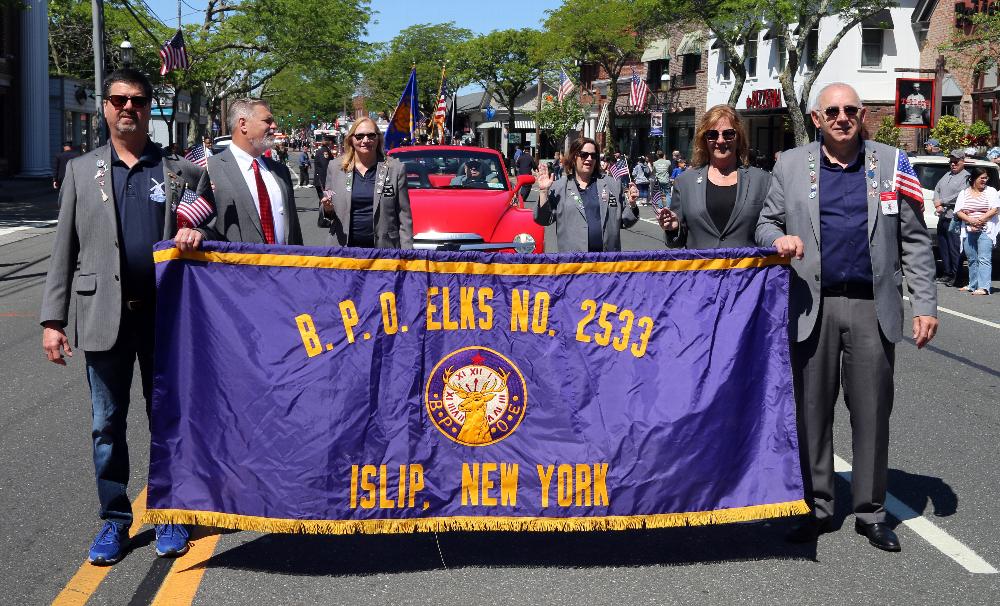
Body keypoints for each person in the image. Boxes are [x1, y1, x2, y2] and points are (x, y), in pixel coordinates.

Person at [39, 68, 216, 565]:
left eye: (137, 100)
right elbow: (62, 250)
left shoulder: (180, 171)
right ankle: (115, 520)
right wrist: (53, 320)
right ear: (105, 106)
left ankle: (172, 513)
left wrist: (198, 237)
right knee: (106, 424)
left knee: (168, 418)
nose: (127, 108)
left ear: (148, 107)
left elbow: (211, 233)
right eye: (118, 99)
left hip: (166, 320)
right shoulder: (81, 170)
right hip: (102, 317)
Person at [757, 82, 938, 552]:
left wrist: (925, 304)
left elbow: (915, 240)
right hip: (811, 305)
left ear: (862, 115)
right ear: (817, 119)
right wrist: (777, 240)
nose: (842, 117)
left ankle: (871, 512)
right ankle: (816, 506)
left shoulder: (892, 163)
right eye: (832, 111)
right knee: (810, 413)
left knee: (873, 412)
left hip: (870, 307)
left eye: (850, 110)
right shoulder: (791, 164)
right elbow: (767, 221)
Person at [656, 105, 771, 249]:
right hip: (701, 270)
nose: (721, 141)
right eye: (712, 135)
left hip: (746, 271)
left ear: (738, 137)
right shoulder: (685, 182)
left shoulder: (763, 181)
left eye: (728, 134)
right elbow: (677, 241)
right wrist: (674, 227)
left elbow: (771, 229)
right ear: (704, 139)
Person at [206, 99, 302, 246]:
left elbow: (294, 230)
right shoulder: (210, 169)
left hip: (284, 266)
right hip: (236, 266)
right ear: (243, 124)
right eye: (267, 121)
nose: (274, 126)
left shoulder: (280, 171)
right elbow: (202, 227)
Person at [533, 137, 640, 252]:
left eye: (593, 156)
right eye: (584, 155)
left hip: (607, 263)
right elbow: (543, 220)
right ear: (574, 157)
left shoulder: (612, 185)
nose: (589, 159)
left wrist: (632, 204)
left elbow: (626, 221)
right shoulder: (559, 187)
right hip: (574, 263)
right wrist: (544, 191)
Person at [319, 117, 412, 248]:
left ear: (378, 138)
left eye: (371, 135)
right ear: (351, 139)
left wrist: (407, 252)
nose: (365, 140)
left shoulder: (395, 168)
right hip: (343, 251)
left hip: (384, 252)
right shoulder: (335, 167)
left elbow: (404, 216)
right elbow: (327, 210)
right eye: (359, 136)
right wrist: (327, 208)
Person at [954, 166, 1000, 295]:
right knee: (971, 258)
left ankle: (984, 287)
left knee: (984, 258)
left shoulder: (990, 191)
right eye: (982, 178)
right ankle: (973, 285)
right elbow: (959, 211)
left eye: (986, 178)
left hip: (986, 230)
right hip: (969, 229)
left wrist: (980, 219)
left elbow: (995, 209)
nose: (985, 180)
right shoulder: (964, 193)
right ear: (974, 178)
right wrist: (970, 220)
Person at [933, 150, 970, 287]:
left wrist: (941, 201)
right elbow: (936, 188)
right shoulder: (946, 175)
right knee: (943, 247)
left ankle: (956, 276)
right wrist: (937, 202)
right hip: (942, 217)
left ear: (962, 161)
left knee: (955, 248)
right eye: (951, 161)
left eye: (956, 161)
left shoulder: (966, 177)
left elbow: (960, 195)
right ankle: (947, 273)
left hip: (955, 218)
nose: (953, 164)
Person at [313, 135, 334, 202]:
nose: (333, 144)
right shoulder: (324, 151)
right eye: (333, 143)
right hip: (323, 181)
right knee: (326, 201)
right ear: (330, 142)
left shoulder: (324, 150)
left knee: (326, 200)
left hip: (323, 180)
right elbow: (325, 166)